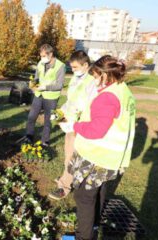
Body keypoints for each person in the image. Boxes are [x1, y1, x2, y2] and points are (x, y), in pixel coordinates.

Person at [58, 55, 136, 240]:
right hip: (110, 156)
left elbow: (96, 130)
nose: (93, 79)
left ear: (103, 75)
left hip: (96, 155)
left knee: (84, 198)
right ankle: (92, 228)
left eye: (95, 75)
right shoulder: (122, 90)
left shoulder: (107, 97)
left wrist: (73, 126)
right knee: (98, 191)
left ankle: (83, 237)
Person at [49, 50, 97, 200]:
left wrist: (75, 122)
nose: (73, 70)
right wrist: (61, 113)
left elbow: (90, 107)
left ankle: (64, 186)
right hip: (70, 124)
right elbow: (72, 101)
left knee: (71, 156)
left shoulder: (92, 82)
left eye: (76, 67)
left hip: (80, 126)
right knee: (68, 153)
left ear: (85, 65)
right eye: (72, 67)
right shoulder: (77, 79)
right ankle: (67, 177)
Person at [22, 44, 66, 146]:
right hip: (39, 95)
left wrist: (45, 87)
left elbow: (59, 85)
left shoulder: (60, 66)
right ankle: (29, 137)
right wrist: (33, 82)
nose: (42, 58)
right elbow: (37, 77)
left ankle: (45, 141)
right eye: (41, 56)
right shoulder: (40, 63)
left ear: (50, 54)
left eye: (43, 56)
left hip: (51, 97)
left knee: (48, 120)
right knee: (31, 117)